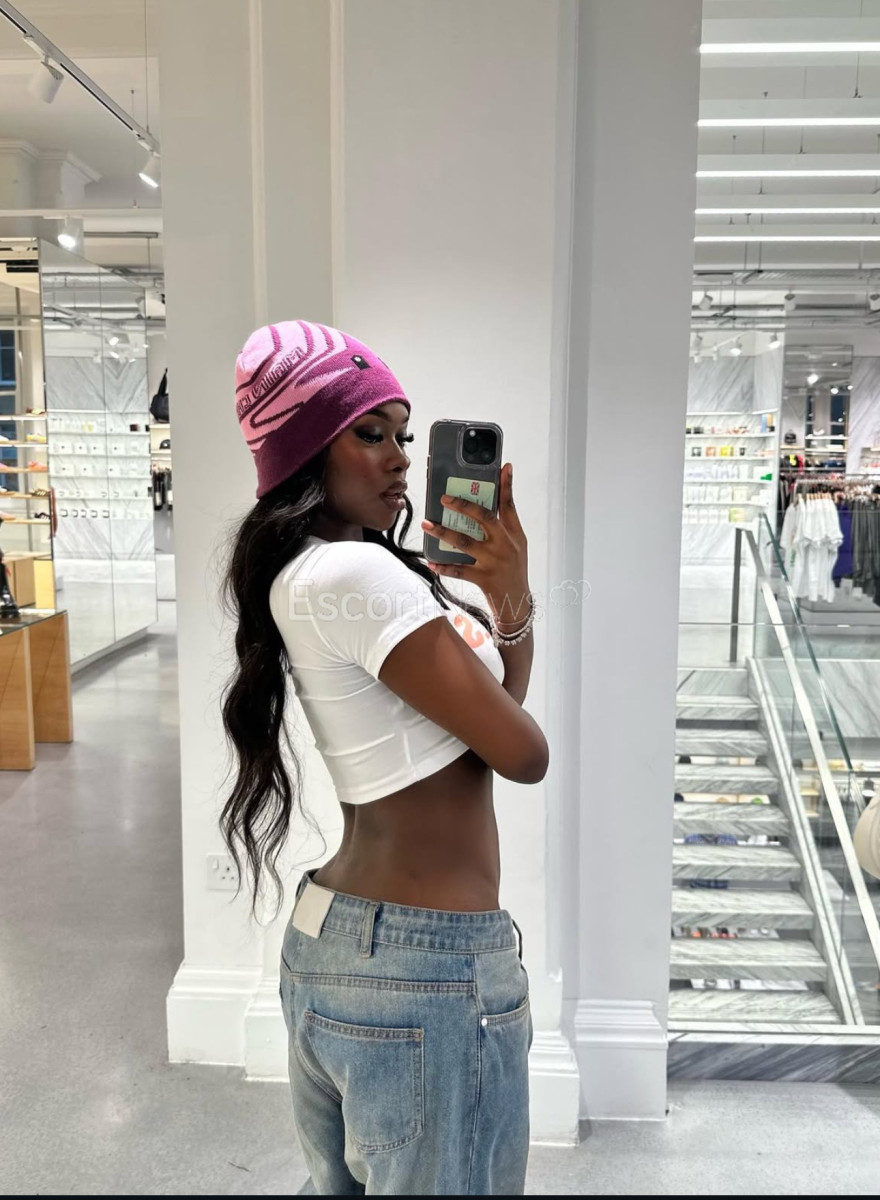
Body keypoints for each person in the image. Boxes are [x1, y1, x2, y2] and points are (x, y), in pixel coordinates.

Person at [221, 319, 548, 1195]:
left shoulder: (315, 571)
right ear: (303, 449)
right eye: (370, 433)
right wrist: (514, 596)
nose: (400, 459)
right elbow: (524, 753)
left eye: (404, 435)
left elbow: (492, 724)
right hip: (424, 967)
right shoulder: (359, 579)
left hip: (338, 947)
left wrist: (506, 607)